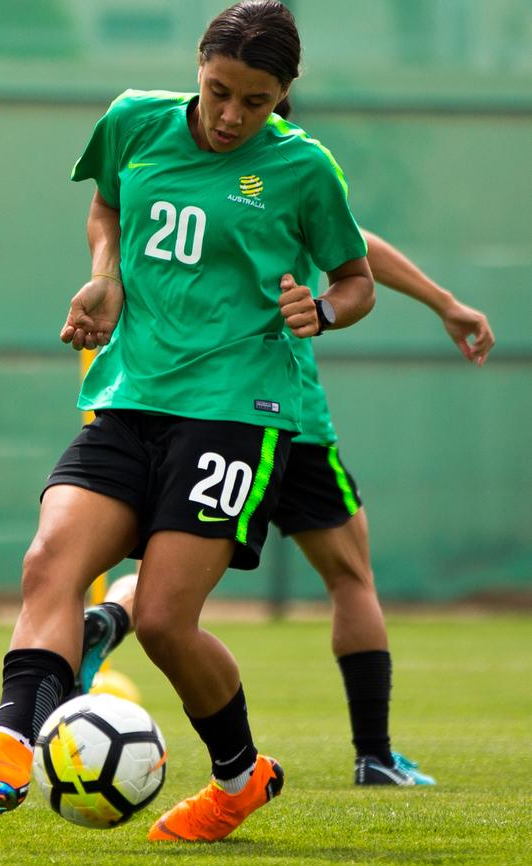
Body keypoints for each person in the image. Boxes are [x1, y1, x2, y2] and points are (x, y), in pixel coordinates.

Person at [0, 1, 375, 844]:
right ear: (198, 65)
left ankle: (240, 777)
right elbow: (106, 210)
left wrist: (321, 312)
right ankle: (5, 745)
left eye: (255, 101)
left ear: (284, 95)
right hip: (126, 395)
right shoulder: (132, 122)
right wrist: (105, 277)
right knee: (50, 561)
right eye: (219, 90)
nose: (231, 115)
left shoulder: (304, 169)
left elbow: (356, 279)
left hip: (235, 412)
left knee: (159, 621)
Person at [79, 231, 494, 787]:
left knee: (167, 570)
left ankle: (110, 619)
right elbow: (357, 247)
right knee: (350, 576)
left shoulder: (190, 182)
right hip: (284, 420)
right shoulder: (293, 173)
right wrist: (445, 302)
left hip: (202, 413)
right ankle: (374, 755)